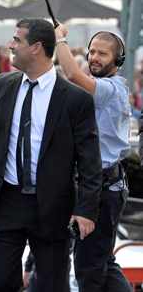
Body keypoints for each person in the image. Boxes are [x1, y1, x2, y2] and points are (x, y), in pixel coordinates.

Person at [0, 18, 102, 292]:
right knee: (1, 283)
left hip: (53, 208)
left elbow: (90, 161)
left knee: (52, 286)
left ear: (37, 47)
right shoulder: (3, 84)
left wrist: (86, 210)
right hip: (4, 201)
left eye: (17, 40)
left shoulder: (75, 99)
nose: (10, 45)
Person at [55, 25, 133, 292]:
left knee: (89, 268)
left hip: (103, 190)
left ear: (118, 61)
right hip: (100, 187)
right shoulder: (106, 89)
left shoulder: (109, 90)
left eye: (103, 54)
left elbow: (73, 74)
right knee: (100, 262)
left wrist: (60, 39)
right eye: (91, 52)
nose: (95, 58)